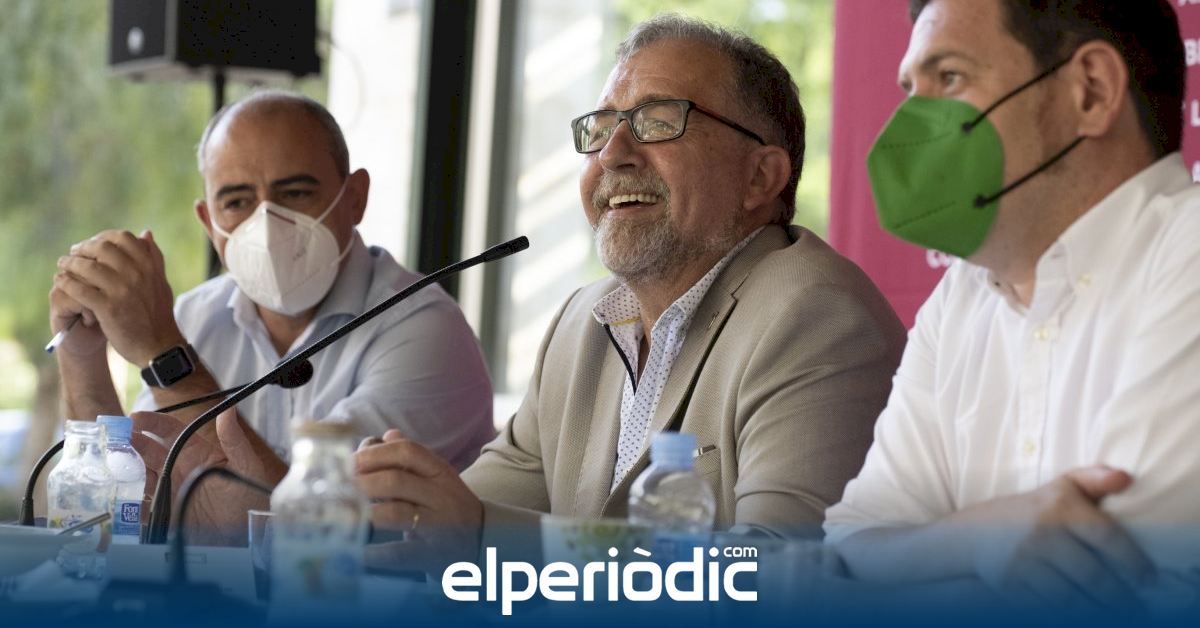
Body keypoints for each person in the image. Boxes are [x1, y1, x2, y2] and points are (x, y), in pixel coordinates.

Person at [354, 15, 906, 572]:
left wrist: (481, 537)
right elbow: (465, 522)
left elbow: (776, 570)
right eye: (599, 128)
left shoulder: (817, 317)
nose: (612, 154)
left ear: (759, 177)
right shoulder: (579, 324)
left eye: (658, 121)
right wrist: (385, 514)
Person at [824, 0, 1200, 609]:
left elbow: (1134, 587)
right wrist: (983, 538)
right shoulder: (959, 298)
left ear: (1091, 91)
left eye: (950, 77)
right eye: (910, 89)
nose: (909, 125)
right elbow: (849, 551)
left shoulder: (1189, 250)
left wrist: (915, 563)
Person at [49, 92, 495, 519]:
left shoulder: (425, 329)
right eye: (237, 202)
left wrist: (166, 357)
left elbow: (314, 526)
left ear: (355, 198)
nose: (266, 222)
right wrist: (82, 358)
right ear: (208, 222)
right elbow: (128, 508)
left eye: (295, 193)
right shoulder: (195, 317)